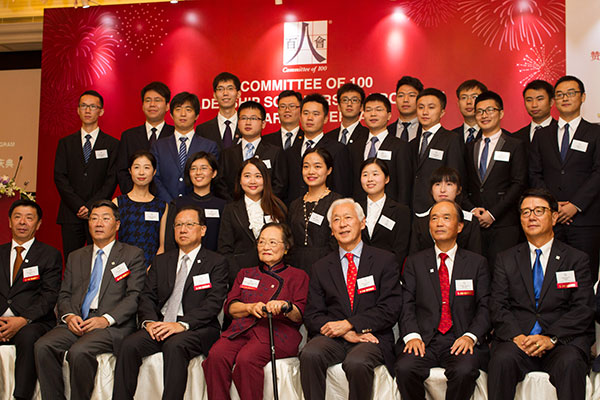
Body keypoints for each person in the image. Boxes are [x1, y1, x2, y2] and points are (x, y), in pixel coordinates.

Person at [488, 188, 595, 400]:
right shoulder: (506, 259)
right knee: (501, 360)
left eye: (539, 210)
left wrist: (550, 337)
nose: (531, 217)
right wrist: (517, 336)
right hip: (519, 340)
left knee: (571, 363)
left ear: (554, 217)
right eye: (525, 212)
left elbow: (583, 309)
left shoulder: (576, 259)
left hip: (562, 341)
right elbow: (498, 305)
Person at [112, 206, 229, 400]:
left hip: (197, 327)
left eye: (190, 224)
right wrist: (149, 322)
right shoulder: (162, 261)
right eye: (178, 225)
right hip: (160, 323)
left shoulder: (216, 262)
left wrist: (180, 325)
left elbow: (213, 303)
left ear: (203, 230)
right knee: (129, 345)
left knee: (175, 345)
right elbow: (147, 296)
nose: (183, 230)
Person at [34, 200, 146, 400]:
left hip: (112, 326)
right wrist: (69, 316)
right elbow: (64, 294)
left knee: (79, 351)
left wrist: (106, 319)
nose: (98, 223)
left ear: (117, 224)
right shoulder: (76, 256)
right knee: (43, 346)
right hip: (77, 321)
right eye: (93, 218)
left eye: (105, 218)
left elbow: (135, 295)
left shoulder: (131, 255)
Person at [299, 198, 402, 400]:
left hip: (372, 336)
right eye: (336, 220)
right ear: (331, 230)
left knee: (357, 362)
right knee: (310, 354)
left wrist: (349, 324)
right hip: (335, 338)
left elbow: (390, 308)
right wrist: (343, 332)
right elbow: (312, 315)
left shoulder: (384, 260)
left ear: (362, 223)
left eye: (348, 218)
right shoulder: (321, 267)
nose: (343, 224)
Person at [395, 200, 490, 400]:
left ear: (460, 226)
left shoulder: (477, 263)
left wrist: (470, 336)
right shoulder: (415, 262)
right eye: (434, 218)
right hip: (424, 339)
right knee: (405, 368)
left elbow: (485, 307)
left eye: (446, 218)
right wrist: (412, 335)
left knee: (465, 371)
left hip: (460, 338)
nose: (439, 223)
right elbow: (406, 304)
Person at [203, 222, 309, 400]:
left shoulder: (298, 275)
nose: (266, 247)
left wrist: (285, 306)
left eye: (273, 242)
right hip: (241, 329)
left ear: (286, 248)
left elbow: (299, 314)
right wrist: (249, 307)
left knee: (246, 359)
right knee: (215, 356)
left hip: (277, 332)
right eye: (261, 242)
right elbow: (230, 308)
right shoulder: (245, 273)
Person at [529, 75, 600, 281]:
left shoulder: (595, 132)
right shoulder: (542, 135)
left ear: (583, 97)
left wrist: (575, 205)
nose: (565, 98)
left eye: (571, 93)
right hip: (551, 219)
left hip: (585, 220)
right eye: (560, 95)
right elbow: (534, 173)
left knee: (585, 275)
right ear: (554, 100)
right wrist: (553, 206)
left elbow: (598, 172)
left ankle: (586, 314)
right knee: (553, 274)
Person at [0, 200, 62, 400]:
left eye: (29, 218)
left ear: (38, 224)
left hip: (34, 321)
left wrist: (23, 319)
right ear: (9, 222)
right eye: (17, 217)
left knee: (28, 337)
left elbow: (50, 294)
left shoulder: (49, 254)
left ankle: (22, 396)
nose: (22, 222)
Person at [464, 91, 527, 269]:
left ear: (501, 113)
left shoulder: (515, 145)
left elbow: (519, 183)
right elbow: (464, 184)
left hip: (504, 223)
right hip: (475, 222)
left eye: (490, 110)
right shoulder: (469, 147)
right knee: (477, 273)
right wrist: (473, 210)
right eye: (479, 111)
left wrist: (493, 214)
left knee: (504, 274)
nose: (484, 115)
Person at [54, 90, 119, 261]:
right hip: (70, 212)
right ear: (78, 110)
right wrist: (77, 206)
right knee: (71, 261)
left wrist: (91, 206)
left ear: (101, 111)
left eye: (92, 106)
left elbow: (112, 179)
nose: (88, 110)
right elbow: (60, 176)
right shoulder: (66, 143)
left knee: (99, 259)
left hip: (98, 214)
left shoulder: (112, 144)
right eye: (83, 106)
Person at [218, 158, 287, 284]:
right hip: (241, 274)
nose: (252, 181)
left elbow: (286, 243)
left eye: (258, 176)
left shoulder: (278, 207)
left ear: (265, 179)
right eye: (247, 176)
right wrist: (239, 277)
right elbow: (225, 249)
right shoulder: (231, 209)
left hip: (275, 275)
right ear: (240, 180)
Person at [151, 91, 219, 203]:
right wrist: (170, 203)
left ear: (196, 115)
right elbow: (155, 177)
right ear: (171, 114)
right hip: (165, 207)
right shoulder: (158, 146)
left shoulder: (209, 146)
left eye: (188, 110)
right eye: (178, 109)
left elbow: (211, 179)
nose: (183, 114)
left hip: (197, 206)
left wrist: (191, 202)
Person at [285, 93, 353, 203]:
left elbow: (342, 189)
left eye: (316, 114)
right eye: (305, 113)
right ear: (300, 116)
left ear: (326, 118)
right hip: (295, 213)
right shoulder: (290, 151)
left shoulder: (338, 150)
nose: (310, 118)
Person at [349, 93, 413, 205]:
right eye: (368, 110)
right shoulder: (354, 146)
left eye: (378, 110)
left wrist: (401, 212)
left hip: (390, 210)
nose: (373, 114)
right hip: (359, 208)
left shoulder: (400, 147)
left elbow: (404, 186)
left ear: (389, 115)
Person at [287, 148, 342, 274]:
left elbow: (340, 241)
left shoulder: (338, 202)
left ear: (329, 170)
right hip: (296, 267)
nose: (311, 171)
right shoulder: (295, 204)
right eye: (306, 166)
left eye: (317, 166)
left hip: (327, 267)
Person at [218, 101, 287, 200]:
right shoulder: (227, 154)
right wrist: (236, 205)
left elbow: (280, 185)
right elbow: (221, 184)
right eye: (244, 118)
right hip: (235, 209)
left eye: (253, 118)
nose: (248, 122)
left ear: (263, 124)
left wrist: (261, 203)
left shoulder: (275, 152)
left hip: (266, 208)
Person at [411, 88, 466, 214]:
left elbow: (455, 178)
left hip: (439, 209)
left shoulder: (451, 139)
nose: (425, 112)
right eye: (420, 107)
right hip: (413, 210)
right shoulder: (411, 144)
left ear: (442, 112)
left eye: (431, 107)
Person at [159, 152, 226, 253]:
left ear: (214, 173)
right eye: (193, 169)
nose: (198, 172)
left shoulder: (223, 205)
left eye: (203, 168)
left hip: (215, 264)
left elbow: (225, 242)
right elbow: (170, 242)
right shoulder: (178, 204)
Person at [117, 81, 174, 193]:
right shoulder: (128, 136)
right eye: (148, 100)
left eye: (157, 100)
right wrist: (135, 195)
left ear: (167, 106)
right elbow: (122, 171)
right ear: (142, 105)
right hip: (135, 200)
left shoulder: (175, 134)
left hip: (168, 200)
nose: (152, 104)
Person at [410, 167, 482, 255]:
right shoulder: (420, 221)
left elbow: (476, 259)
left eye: (449, 184)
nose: (442, 190)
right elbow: (413, 258)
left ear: (459, 190)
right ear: (431, 190)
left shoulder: (470, 222)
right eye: (437, 184)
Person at [113, 150, 165, 267]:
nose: (141, 172)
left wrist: (152, 269)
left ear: (154, 171)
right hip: (122, 265)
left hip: (152, 267)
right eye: (137, 167)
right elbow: (110, 240)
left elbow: (162, 245)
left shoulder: (161, 206)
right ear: (130, 171)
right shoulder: (118, 203)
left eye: (147, 167)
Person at [358, 158, 410, 269]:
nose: (370, 179)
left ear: (386, 179)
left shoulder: (400, 211)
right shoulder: (354, 208)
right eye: (365, 175)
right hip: (357, 270)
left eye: (375, 174)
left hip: (388, 272)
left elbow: (400, 249)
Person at [195, 72, 242, 151]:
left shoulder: (247, 126)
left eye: (230, 88)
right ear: (214, 95)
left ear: (238, 94)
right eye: (220, 89)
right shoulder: (203, 130)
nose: (225, 93)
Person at [511, 79, 557, 145]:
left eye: (540, 99)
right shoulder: (516, 138)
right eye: (529, 100)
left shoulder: (562, 132)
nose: (534, 105)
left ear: (551, 102)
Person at [451, 79, 488, 146]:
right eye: (464, 97)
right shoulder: (450, 137)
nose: (468, 102)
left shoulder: (497, 136)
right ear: (458, 103)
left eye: (474, 97)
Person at [388, 76, 424, 142]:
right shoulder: (387, 131)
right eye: (401, 96)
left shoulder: (427, 130)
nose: (405, 100)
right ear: (395, 99)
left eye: (411, 95)